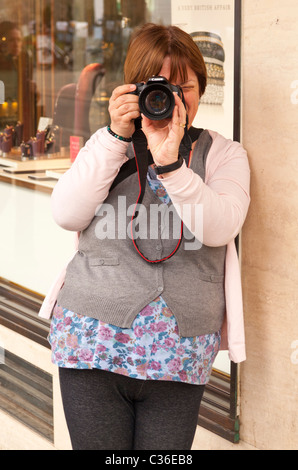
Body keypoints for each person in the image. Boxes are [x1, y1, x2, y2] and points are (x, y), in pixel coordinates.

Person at [40, 23, 250, 450]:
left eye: (184, 86)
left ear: (200, 88)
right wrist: (118, 137)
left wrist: (171, 164)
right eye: (159, 87)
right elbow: (66, 213)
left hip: (180, 350)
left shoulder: (225, 153)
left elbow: (221, 227)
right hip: (92, 341)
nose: (172, 98)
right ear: (132, 90)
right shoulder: (108, 144)